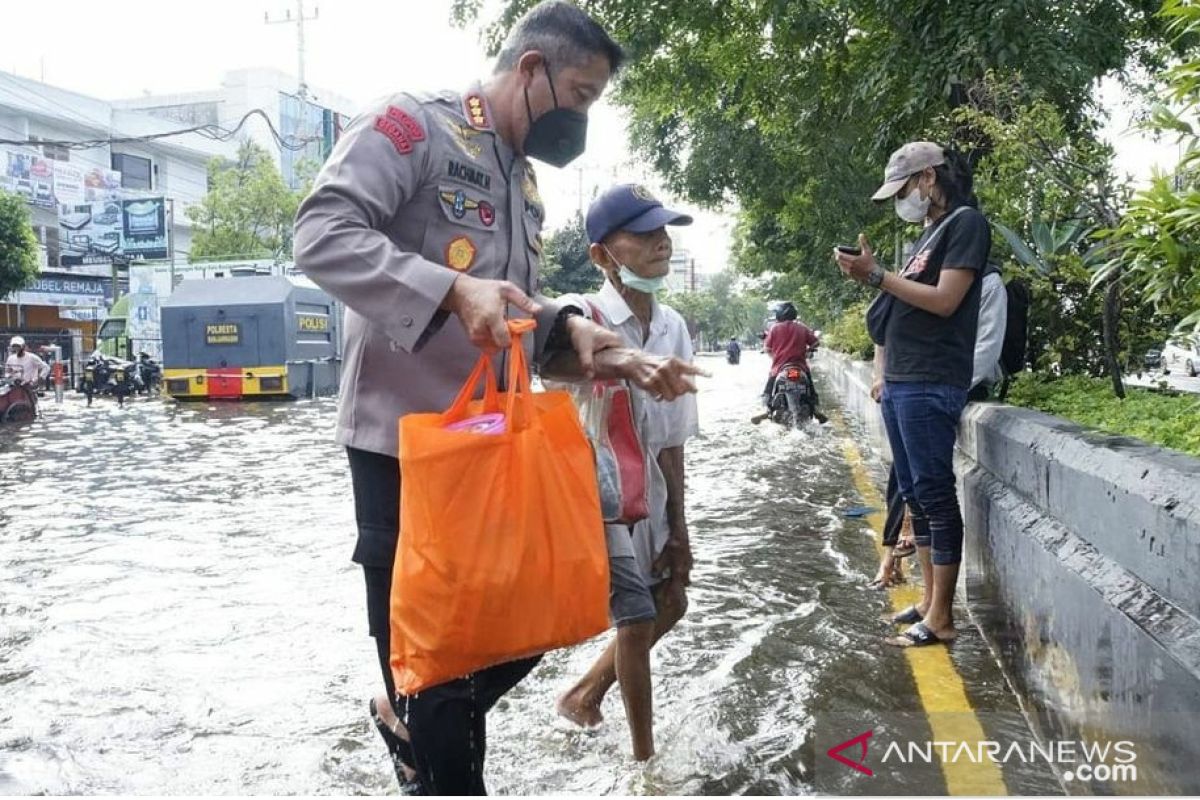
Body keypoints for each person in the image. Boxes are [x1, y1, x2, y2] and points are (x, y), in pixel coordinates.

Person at [293, 3, 702, 793]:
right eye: (579, 94)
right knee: (443, 675)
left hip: (494, 448)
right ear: (530, 70)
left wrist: (582, 338)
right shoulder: (414, 126)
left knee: (552, 610)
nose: (581, 115)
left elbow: (511, 310)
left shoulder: (523, 184)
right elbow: (321, 232)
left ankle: (409, 713)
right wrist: (449, 289)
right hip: (406, 448)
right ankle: (427, 729)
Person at [551, 184, 698, 761]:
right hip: (596, 500)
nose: (660, 243)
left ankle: (583, 694)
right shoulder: (583, 317)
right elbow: (551, 334)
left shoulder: (674, 327)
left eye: (663, 232)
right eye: (642, 235)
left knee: (673, 601)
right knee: (636, 621)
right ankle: (646, 765)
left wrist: (680, 527)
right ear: (601, 256)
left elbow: (672, 442)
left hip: (649, 499)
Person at [835, 141, 991, 648]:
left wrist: (879, 276)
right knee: (917, 497)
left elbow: (945, 301)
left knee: (936, 494)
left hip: (931, 378)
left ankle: (943, 617)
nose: (903, 200)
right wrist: (877, 278)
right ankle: (928, 602)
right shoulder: (929, 234)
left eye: (904, 189)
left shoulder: (966, 223)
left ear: (929, 178)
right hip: (902, 379)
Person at [868, 269, 1005, 588]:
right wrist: (882, 376)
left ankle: (927, 596)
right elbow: (885, 332)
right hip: (909, 385)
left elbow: (985, 350)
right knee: (905, 480)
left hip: (946, 385)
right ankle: (899, 562)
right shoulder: (919, 272)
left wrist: (931, 386)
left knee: (928, 489)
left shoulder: (987, 282)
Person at [751, 302, 827, 424]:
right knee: (811, 389)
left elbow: (767, 348)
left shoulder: (774, 328)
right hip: (800, 367)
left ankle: (766, 409)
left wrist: (774, 357)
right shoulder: (801, 327)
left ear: (780, 314)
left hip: (779, 368)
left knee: (768, 388)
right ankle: (816, 410)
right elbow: (816, 342)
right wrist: (808, 350)